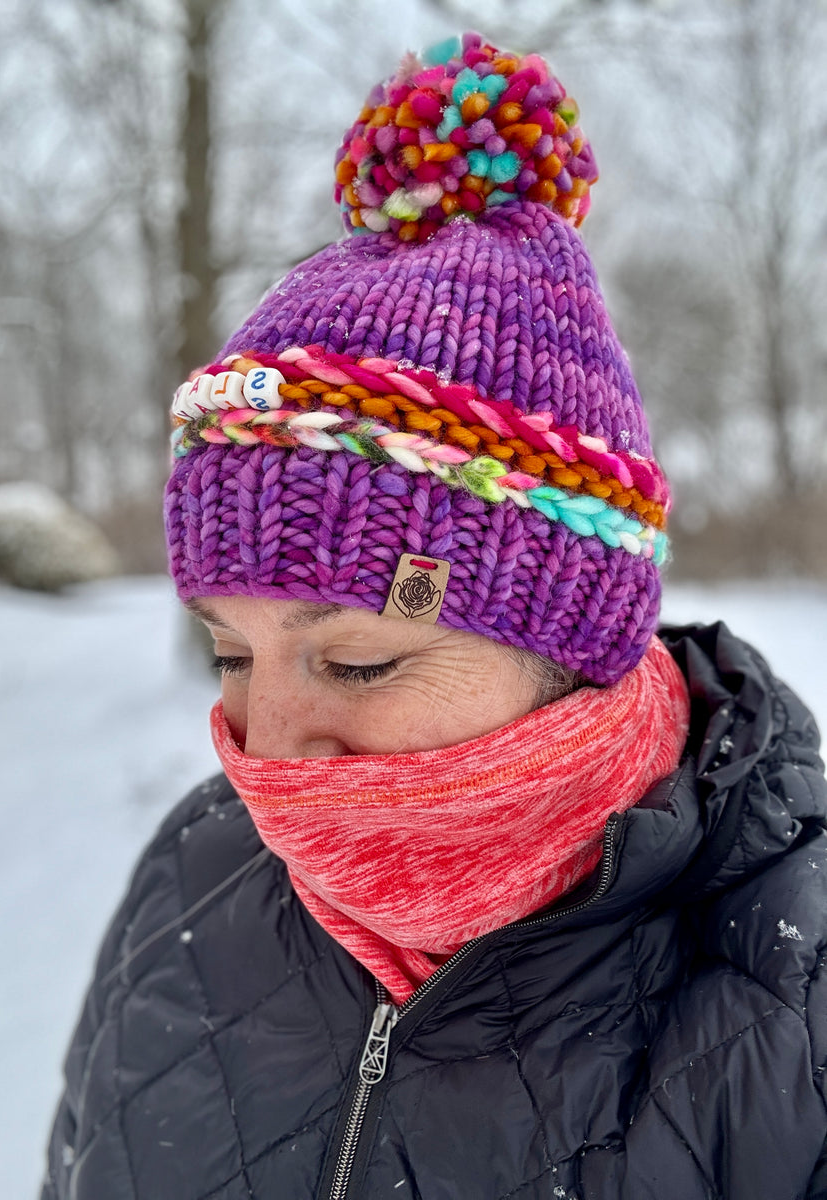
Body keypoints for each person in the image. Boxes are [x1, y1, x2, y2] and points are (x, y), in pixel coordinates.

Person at [42, 32, 827, 1200]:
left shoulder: (794, 999)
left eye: (357, 660)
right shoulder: (189, 880)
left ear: (582, 645)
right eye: (229, 651)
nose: (270, 750)